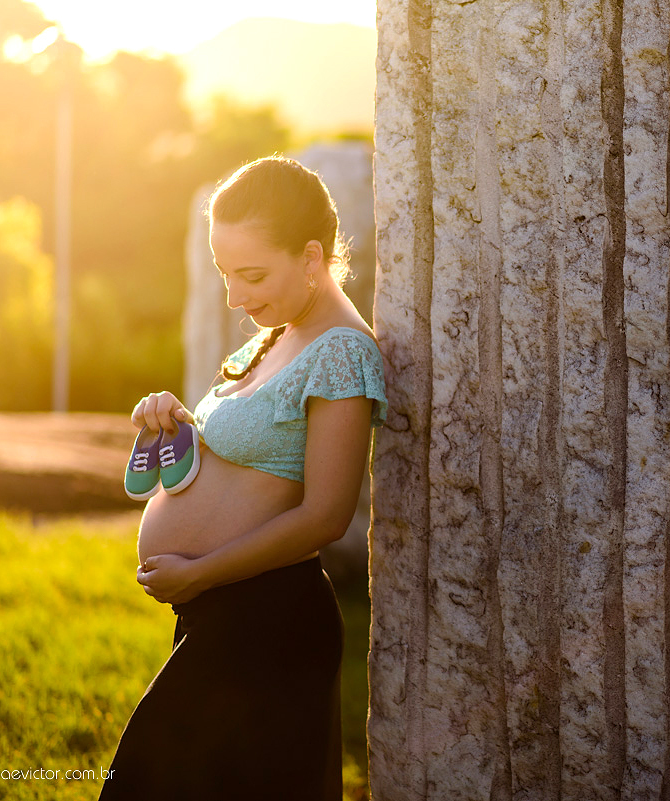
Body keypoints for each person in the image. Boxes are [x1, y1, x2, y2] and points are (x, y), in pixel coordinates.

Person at [98, 156, 387, 801]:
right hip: (225, 611)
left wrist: (200, 572)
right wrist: (169, 419)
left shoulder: (340, 351)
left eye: (251, 275)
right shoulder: (269, 340)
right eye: (225, 274)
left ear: (311, 256)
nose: (234, 297)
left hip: (269, 618)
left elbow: (325, 516)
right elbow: (230, 454)